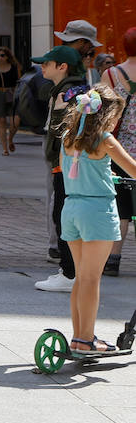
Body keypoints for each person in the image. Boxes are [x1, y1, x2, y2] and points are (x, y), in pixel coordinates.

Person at [52, 86, 136, 354]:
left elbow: (78, 169)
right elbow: (133, 169)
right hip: (97, 211)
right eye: (116, 117)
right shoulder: (105, 140)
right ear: (108, 115)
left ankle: (79, 337)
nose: (116, 122)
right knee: (92, 279)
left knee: (81, 278)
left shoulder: (68, 137)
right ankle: (86, 340)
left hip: (72, 208)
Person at [34, 46, 89, 291]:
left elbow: (64, 133)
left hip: (67, 165)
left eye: (47, 63)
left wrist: (57, 111)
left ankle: (70, 273)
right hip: (68, 164)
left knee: (63, 215)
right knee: (64, 214)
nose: (42, 67)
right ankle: (71, 271)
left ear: (62, 67)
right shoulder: (68, 90)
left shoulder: (67, 94)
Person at [100, 27, 136, 276]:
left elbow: (102, 113)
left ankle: (113, 259)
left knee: (121, 206)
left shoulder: (111, 74)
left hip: (120, 149)